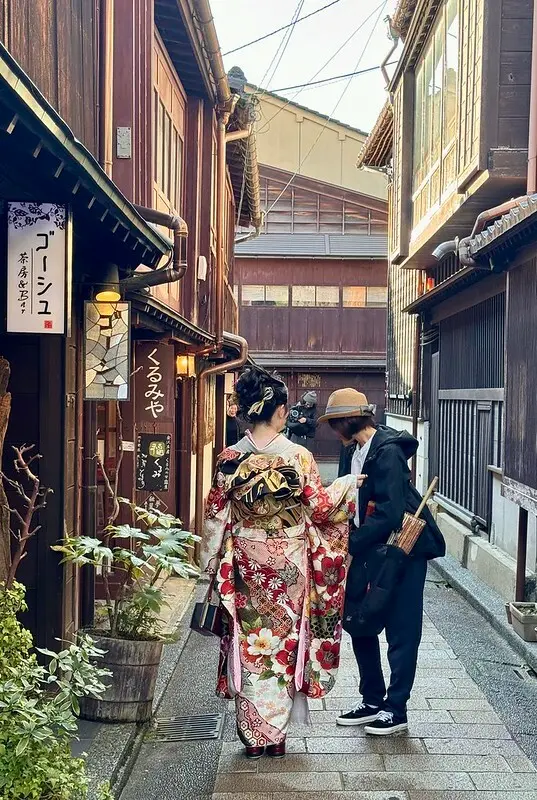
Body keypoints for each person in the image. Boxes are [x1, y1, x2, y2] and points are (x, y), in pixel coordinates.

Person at [201, 368, 359, 760]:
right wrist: (346, 485)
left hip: (247, 562)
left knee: (250, 642)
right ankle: (276, 737)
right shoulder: (298, 457)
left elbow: (214, 516)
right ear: (280, 411)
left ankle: (254, 733)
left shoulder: (229, 458)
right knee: (284, 644)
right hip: (290, 563)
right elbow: (321, 509)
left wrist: (209, 562)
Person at [318, 388, 445, 736]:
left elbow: (390, 514)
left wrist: (350, 543)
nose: (333, 430)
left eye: (334, 423)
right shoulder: (353, 450)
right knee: (358, 619)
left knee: (402, 629)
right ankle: (372, 699)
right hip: (367, 549)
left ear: (349, 420)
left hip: (402, 552)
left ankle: (396, 708)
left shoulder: (387, 452)